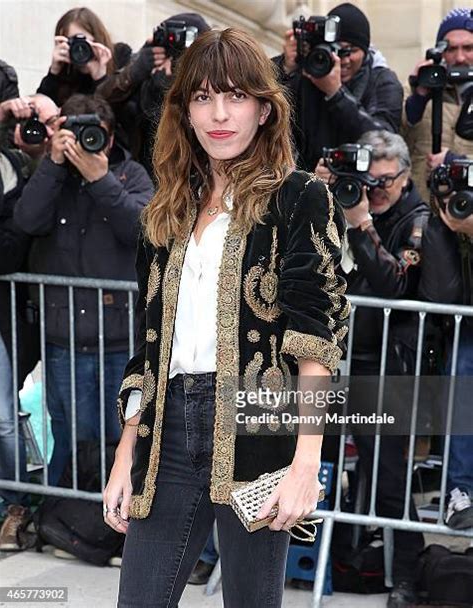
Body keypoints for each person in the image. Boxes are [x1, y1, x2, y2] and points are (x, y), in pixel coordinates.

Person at [103, 28, 349, 607]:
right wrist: (124, 454)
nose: (219, 115)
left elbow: (316, 340)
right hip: (167, 432)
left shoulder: (299, 199)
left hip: (258, 421)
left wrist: (306, 462)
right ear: (184, 110)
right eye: (203, 98)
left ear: (264, 110)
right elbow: (148, 345)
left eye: (236, 97)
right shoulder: (162, 215)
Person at [14, 94, 154, 486]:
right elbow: (27, 220)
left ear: (110, 140)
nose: (84, 141)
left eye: (95, 135)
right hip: (64, 340)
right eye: (73, 133)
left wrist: (100, 180)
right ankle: (67, 521)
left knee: (122, 439)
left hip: (121, 340)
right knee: (72, 437)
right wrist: (53, 165)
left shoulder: (132, 175)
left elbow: (143, 230)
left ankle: (115, 528)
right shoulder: (51, 175)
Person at [318, 130, 429, 608]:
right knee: (314, 465)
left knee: (388, 479)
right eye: (368, 179)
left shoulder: (416, 220)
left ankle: (408, 575)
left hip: (384, 367)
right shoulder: (336, 207)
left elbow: (393, 286)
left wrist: (362, 223)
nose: (375, 188)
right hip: (327, 361)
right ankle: (328, 560)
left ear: (405, 177)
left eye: (385, 180)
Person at [275, 2, 403, 172]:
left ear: (365, 52)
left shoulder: (383, 81)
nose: (343, 60)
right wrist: (285, 67)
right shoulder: (308, 71)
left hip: (360, 186)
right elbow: (260, 100)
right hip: (307, 184)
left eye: (351, 51)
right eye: (335, 50)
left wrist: (336, 94)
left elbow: (385, 143)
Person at [419, 187, 473, 530]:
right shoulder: (441, 219)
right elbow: (442, 291)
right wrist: (444, 224)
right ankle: (460, 490)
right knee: (463, 380)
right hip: (466, 324)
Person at [97, 13, 211, 174]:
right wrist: (133, 73)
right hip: (130, 176)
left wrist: (170, 91)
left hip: (175, 178)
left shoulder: (207, 82)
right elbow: (99, 103)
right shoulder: (144, 64)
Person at [0, 144, 37, 550]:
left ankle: (15, 507)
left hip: (3, 312)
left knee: (4, 419)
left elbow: (12, 246)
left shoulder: (8, 165)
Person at [403, 7, 473, 201]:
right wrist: (419, 96)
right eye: (451, 49)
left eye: (468, 48)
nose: (460, 58)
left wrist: (456, 162)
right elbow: (391, 141)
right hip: (422, 212)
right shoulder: (417, 88)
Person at [36, 7, 117, 107]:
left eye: (83, 41)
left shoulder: (119, 58)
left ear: (97, 39)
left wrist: (101, 79)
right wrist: (53, 73)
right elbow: (42, 111)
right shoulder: (65, 71)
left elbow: (117, 114)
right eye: (73, 42)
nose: (79, 49)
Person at [0, 93, 60, 159]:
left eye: (52, 122)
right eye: (37, 128)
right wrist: (2, 113)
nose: (50, 133)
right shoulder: (18, 162)